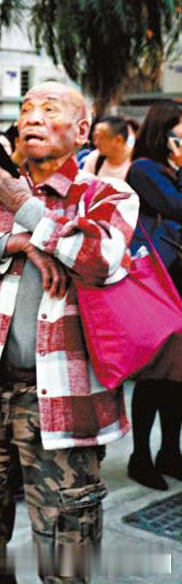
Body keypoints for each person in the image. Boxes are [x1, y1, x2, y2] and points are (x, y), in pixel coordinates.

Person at [0, 82, 139, 583]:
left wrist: (27, 209)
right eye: (26, 109)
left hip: (63, 400)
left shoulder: (106, 194)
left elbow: (98, 256)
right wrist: (15, 243)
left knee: (66, 554)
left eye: (49, 109)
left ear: (81, 131)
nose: (33, 118)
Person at [124, 101, 182, 490]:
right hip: (157, 284)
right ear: (166, 131)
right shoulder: (144, 169)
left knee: (177, 376)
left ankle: (170, 452)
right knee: (154, 375)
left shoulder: (171, 171)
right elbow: (176, 206)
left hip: (177, 283)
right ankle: (140, 456)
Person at [83, 116, 132, 181]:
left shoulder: (134, 162)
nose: (96, 143)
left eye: (101, 138)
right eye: (95, 137)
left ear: (118, 140)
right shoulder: (94, 158)